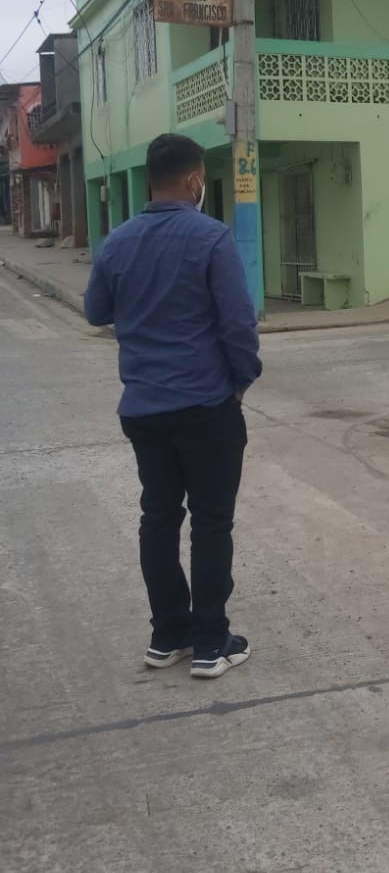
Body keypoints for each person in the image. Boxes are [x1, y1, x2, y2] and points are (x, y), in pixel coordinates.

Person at [84, 133, 262, 678]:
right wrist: (241, 381)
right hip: (206, 405)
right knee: (211, 522)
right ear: (193, 180)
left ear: (149, 179)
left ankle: (168, 635)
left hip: (143, 408)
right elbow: (238, 324)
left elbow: (95, 311)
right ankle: (211, 643)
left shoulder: (117, 242)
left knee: (158, 518)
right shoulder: (211, 237)